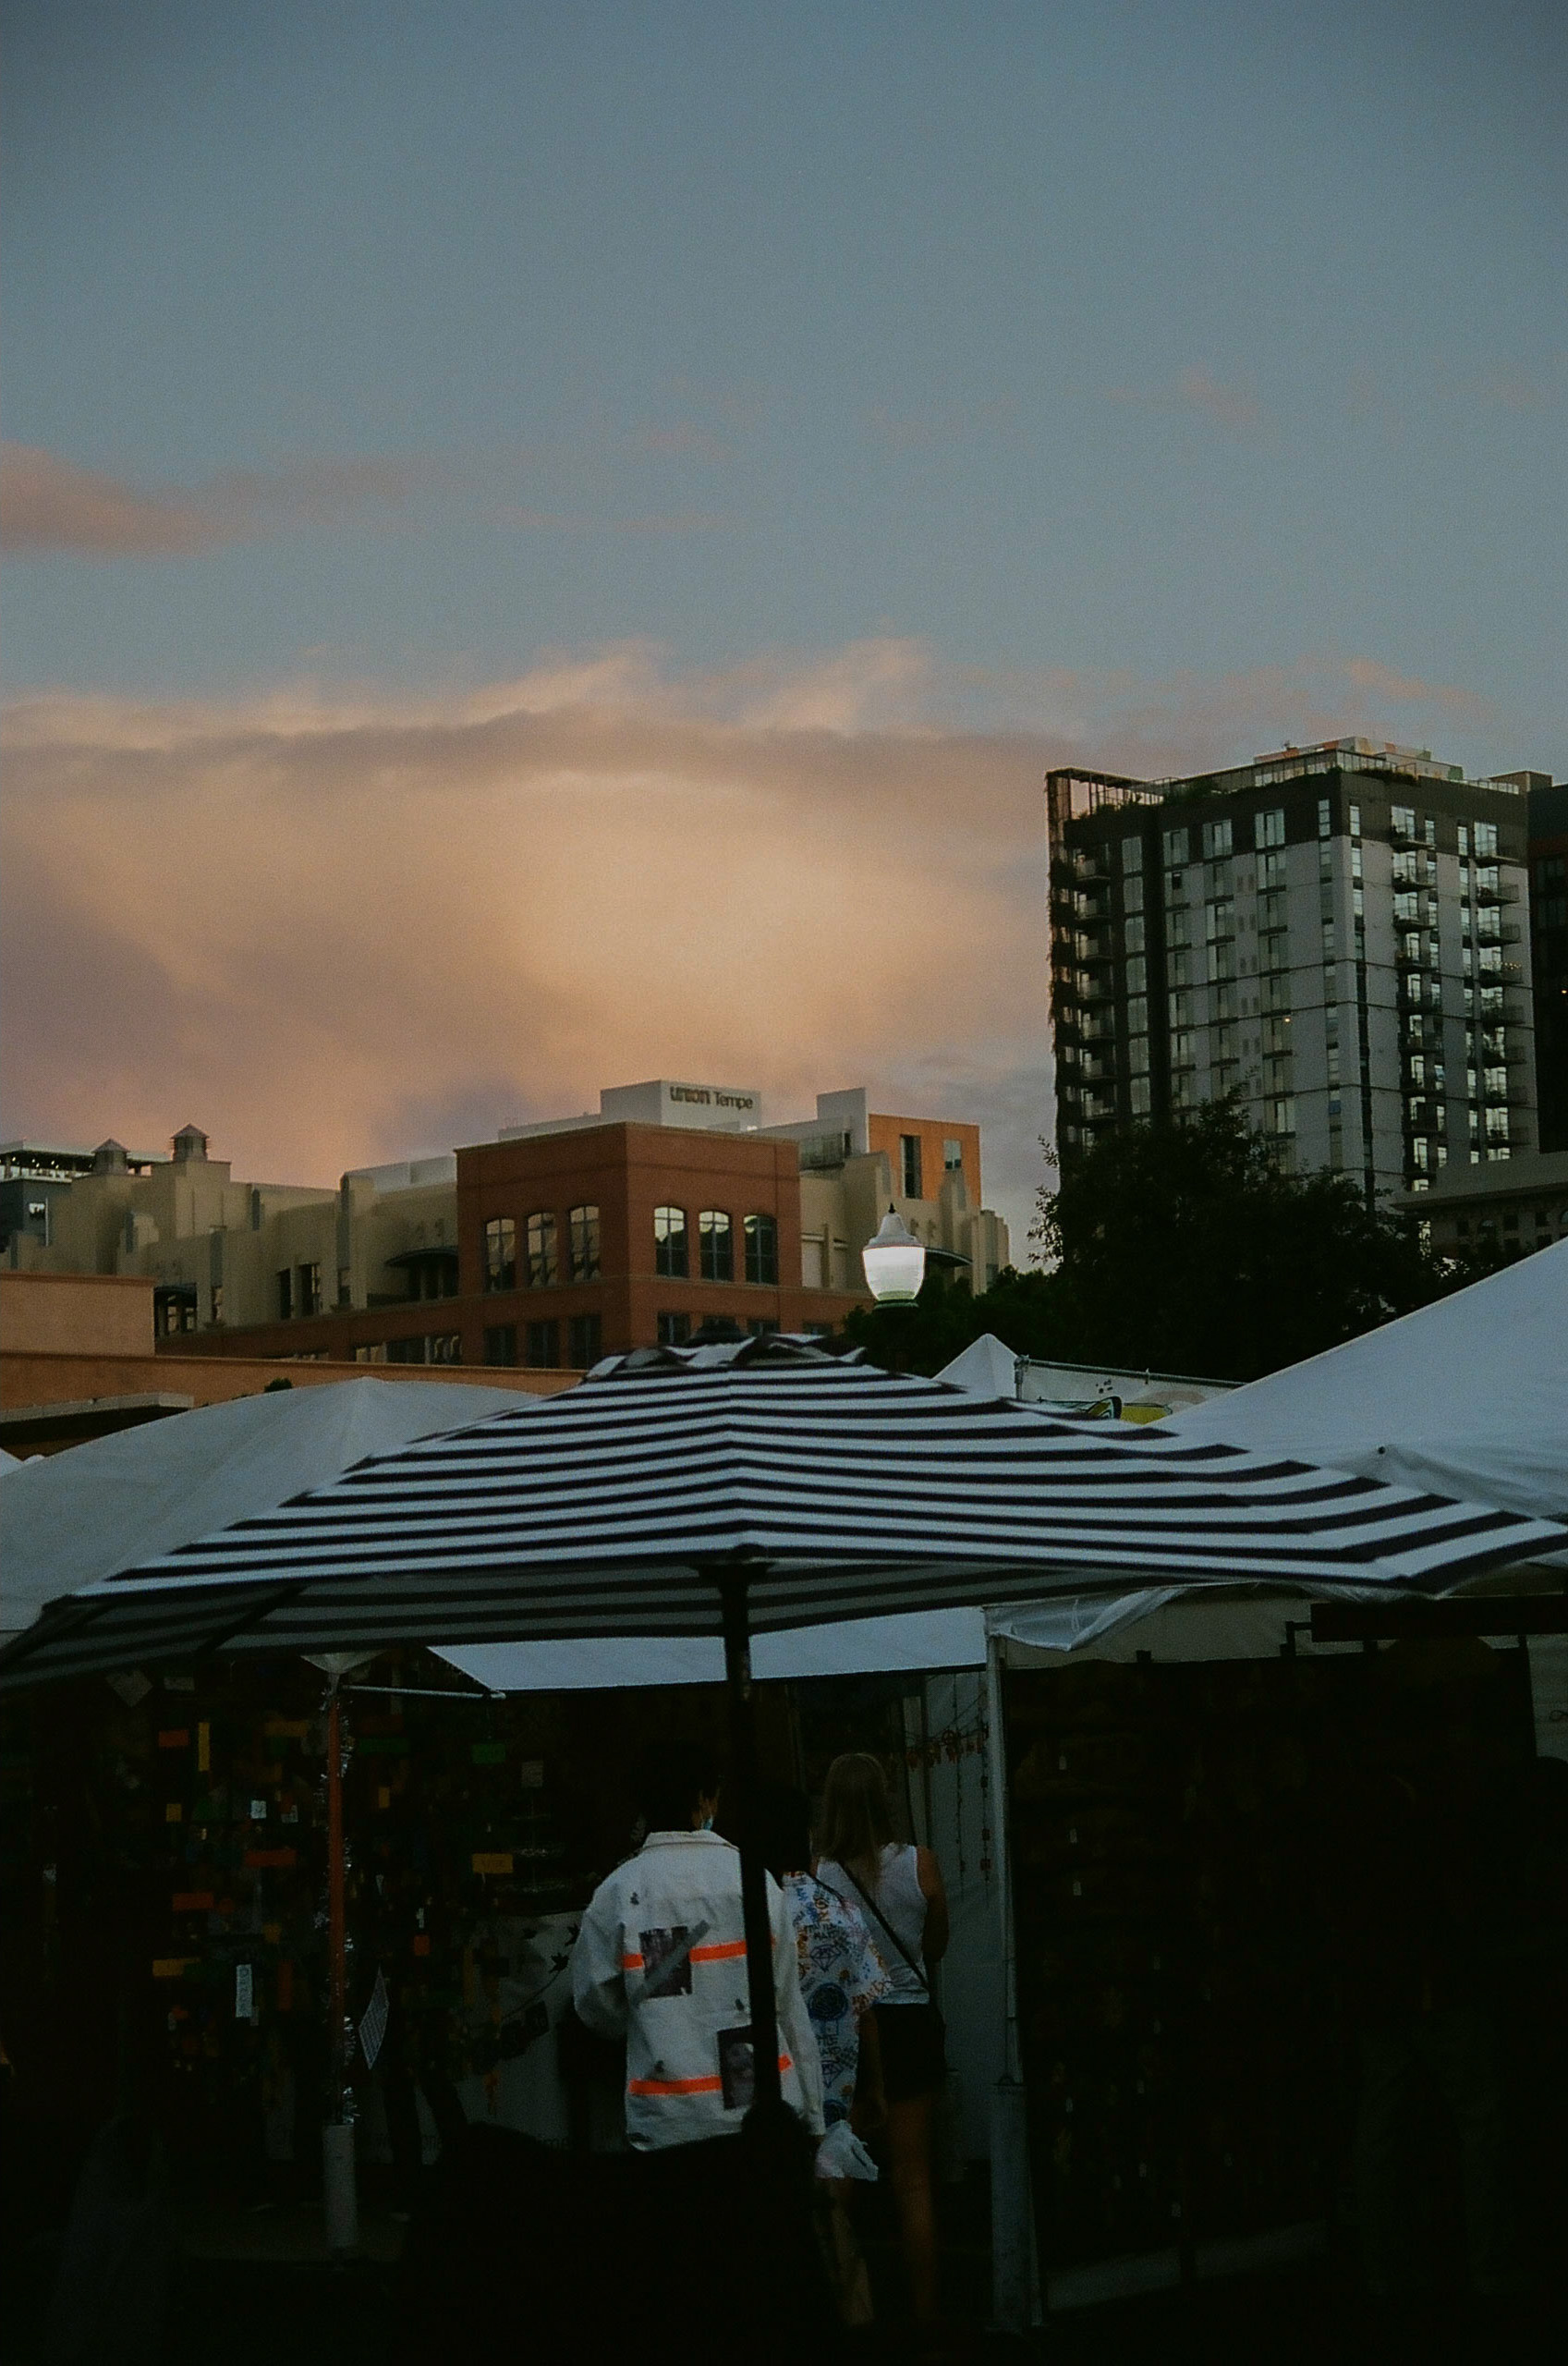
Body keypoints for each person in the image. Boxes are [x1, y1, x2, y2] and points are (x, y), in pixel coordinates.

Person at [571, 1740, 823, 2150]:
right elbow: (785, 2002)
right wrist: (813, 2119)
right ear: (708, 1799)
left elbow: (594, 2004)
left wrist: (647, 2017)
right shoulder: (755, 1883)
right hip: (759, 2118)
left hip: (668, 2124)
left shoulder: (618, 1892)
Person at [816, 1750, 949, 2333]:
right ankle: (926, 2315)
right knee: (913, 2177)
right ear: (885, 1798)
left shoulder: (824, 1873)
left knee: (841, 2164)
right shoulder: (922, 1864)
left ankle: (841, 2308)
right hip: (911, 2022)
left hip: (851, 2027)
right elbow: (936, 1948)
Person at [755, 1783, 887, 2325]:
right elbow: (867, 2005)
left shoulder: (751, 1910)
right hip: (835, 2100)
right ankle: (847, 2327)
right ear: (808, 1838)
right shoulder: (839, 1910)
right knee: (835, 2230)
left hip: (768, 2105)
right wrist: (877, 2087)